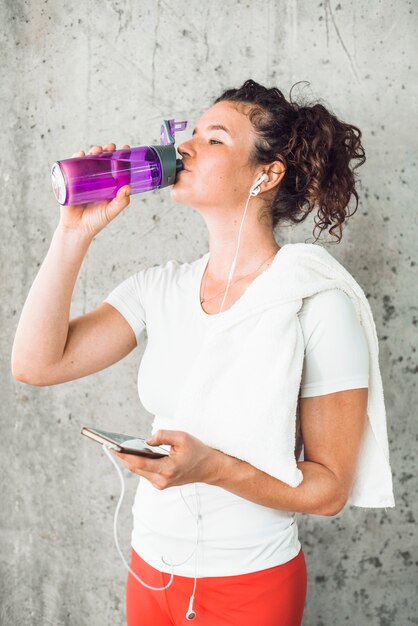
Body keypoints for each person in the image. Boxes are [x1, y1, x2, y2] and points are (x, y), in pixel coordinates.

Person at [12, 79, 370, 625]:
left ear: (267, 174)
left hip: (251, 583)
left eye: (215, 139)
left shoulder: (315, 302)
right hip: (150, 570)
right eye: (191, 134)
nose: (186, 148)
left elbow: (328, 491)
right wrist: (73, 233)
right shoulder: (158, 289)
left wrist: (212, 469)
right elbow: (35, 365)